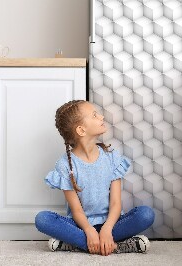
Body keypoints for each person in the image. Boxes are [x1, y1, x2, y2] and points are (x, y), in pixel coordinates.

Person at [35, 100, 155, 256]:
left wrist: (107, 229)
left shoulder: (111, 156)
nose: (102, 116)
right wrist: (89, 230)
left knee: (146, 214)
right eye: (94, 115)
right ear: (81, 130)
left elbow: (116, 203)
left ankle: (79, 244)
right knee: (42, 219)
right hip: (81, 225)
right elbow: (77, 210)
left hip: (113, 223)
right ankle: (116, 246)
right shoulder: (65, 165)